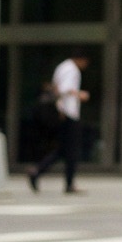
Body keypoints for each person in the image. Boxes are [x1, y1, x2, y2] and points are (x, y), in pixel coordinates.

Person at [26, 54, 89, 194]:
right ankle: (68, 184)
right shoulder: (71, 70)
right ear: (80, 59)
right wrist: (81, 95)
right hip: (69, 113)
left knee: (64, 150)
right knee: (71, 150)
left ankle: (38, 171)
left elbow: (56, 88)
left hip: (63, 112)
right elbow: (64, 89)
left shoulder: (62, 67)